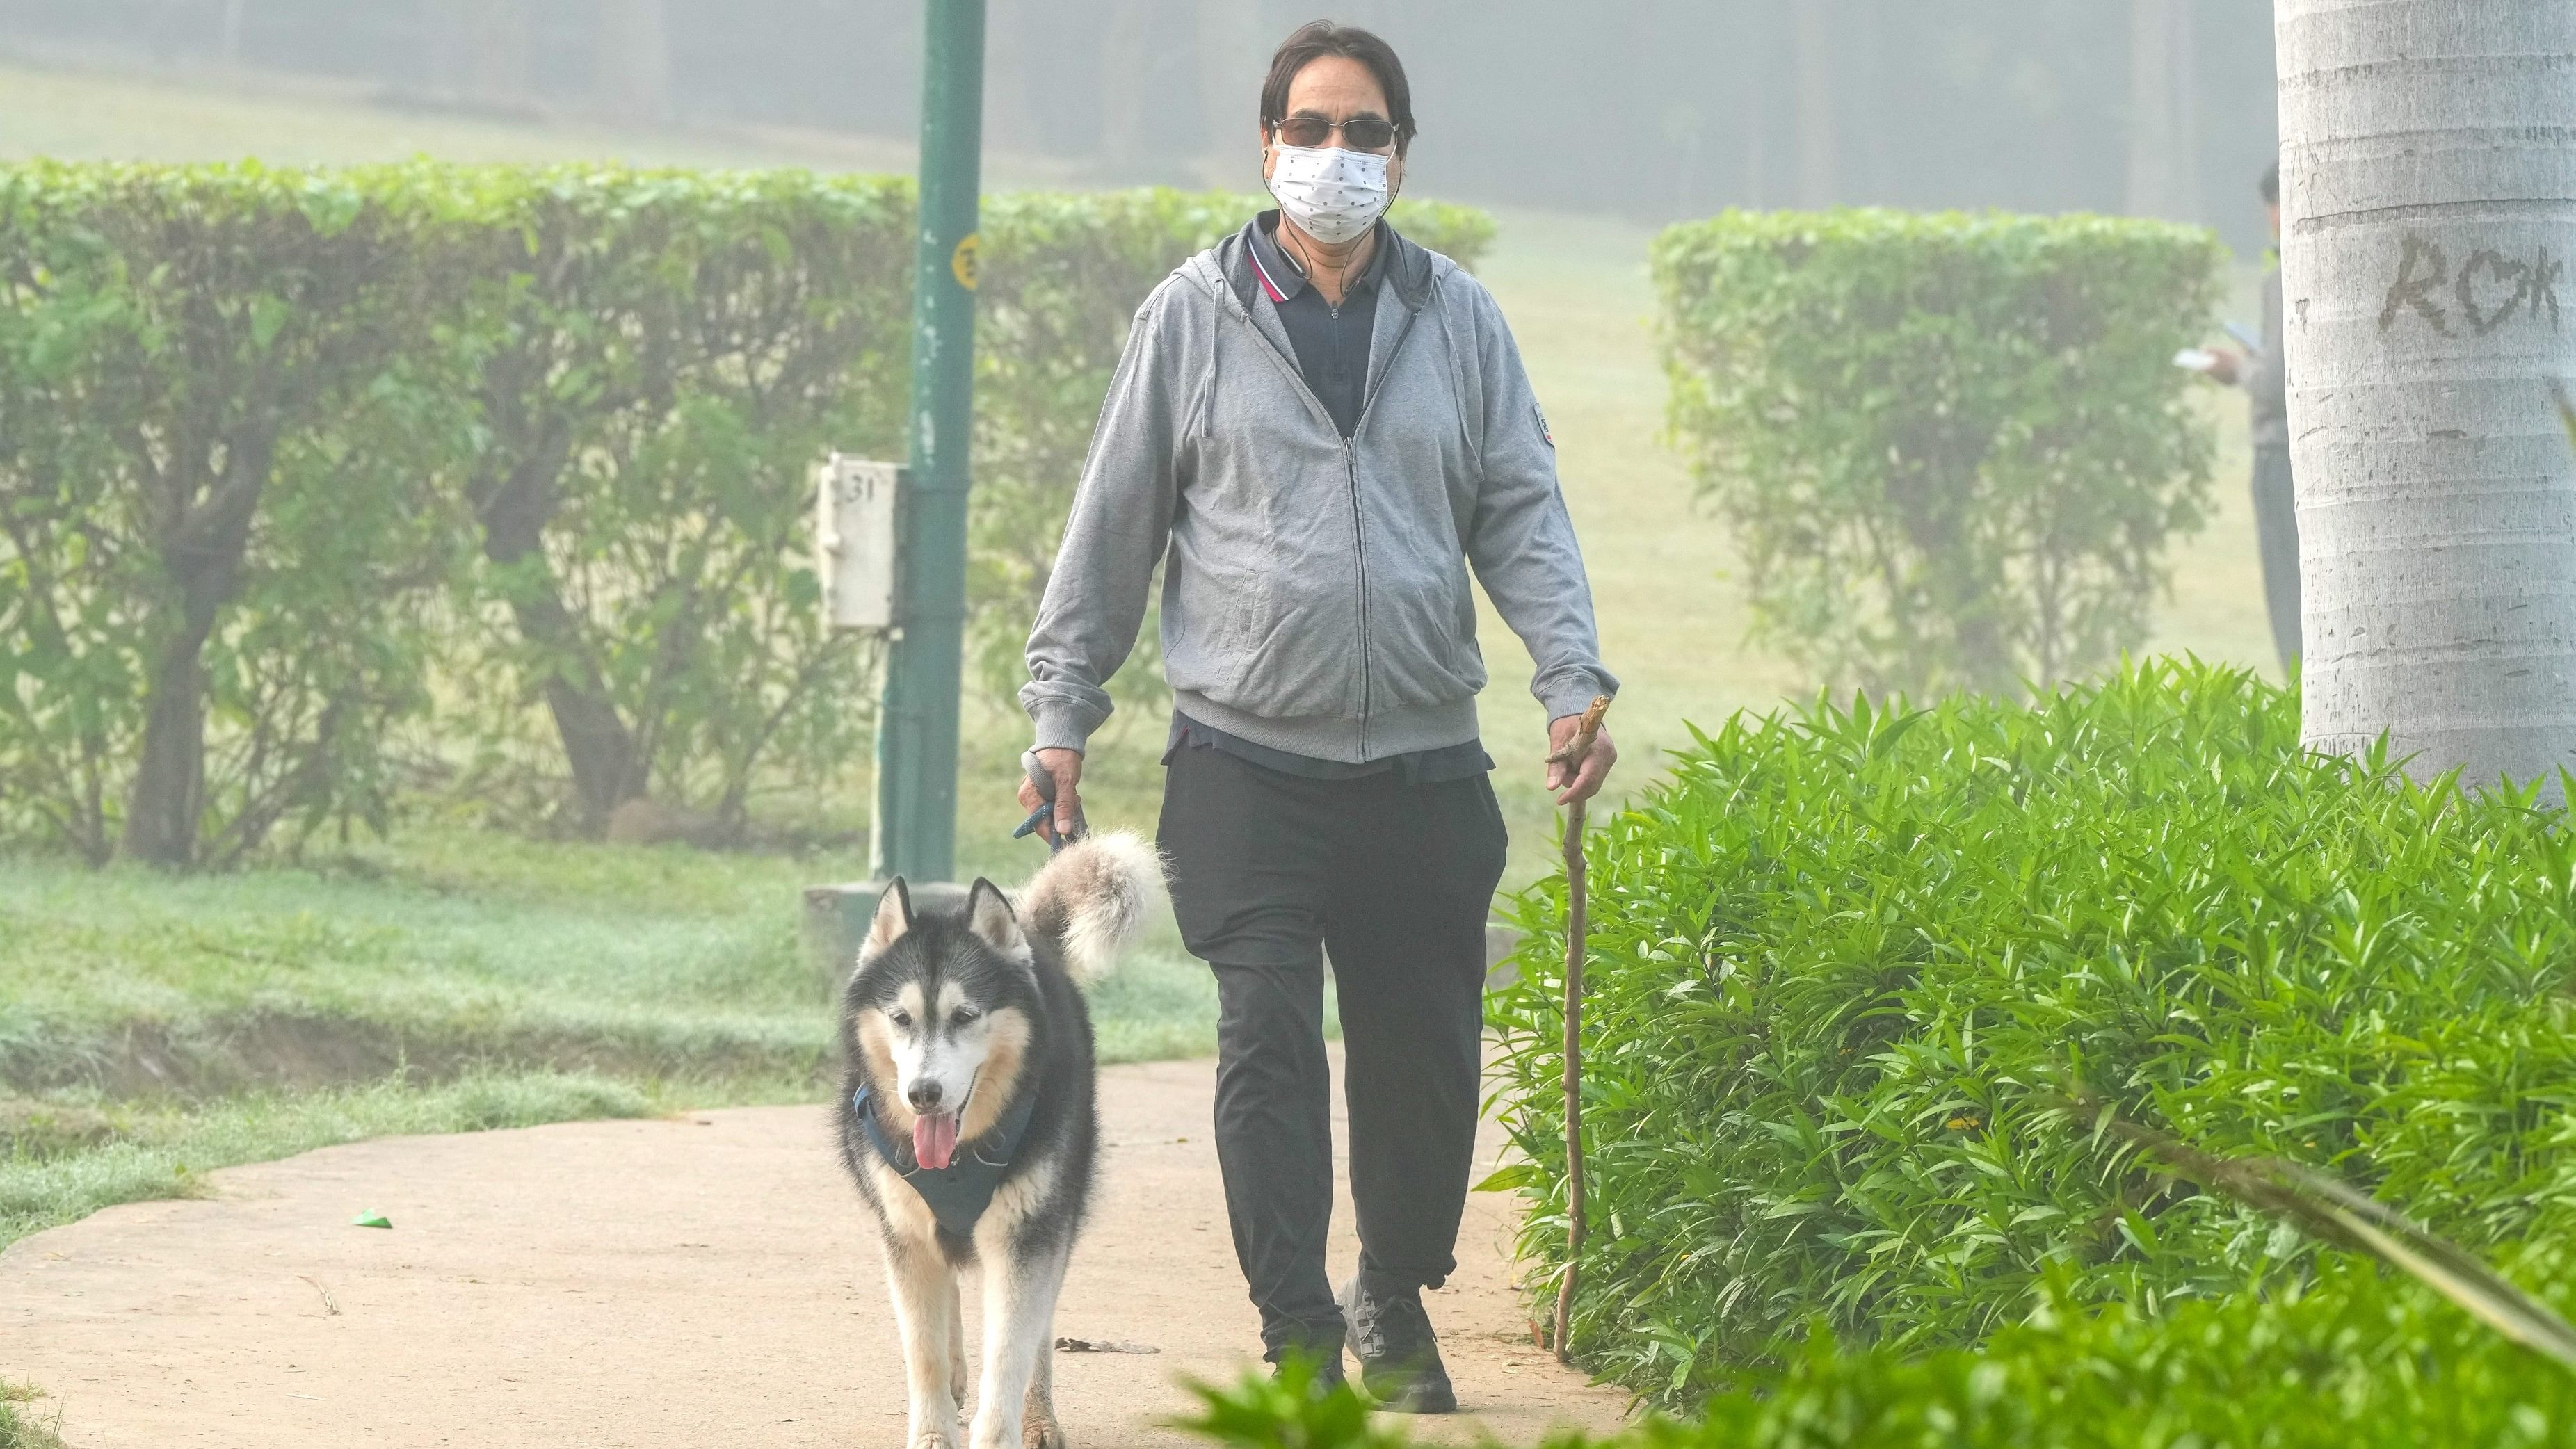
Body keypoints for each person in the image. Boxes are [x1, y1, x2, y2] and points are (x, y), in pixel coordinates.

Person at [1016, 19, 1618, 1412]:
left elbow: (1519, 506)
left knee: (1419, 1057)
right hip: (1246, 763)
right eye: (1312, 129)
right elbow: (1114, 525)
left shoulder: (1457, 318)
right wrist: (1063, 710)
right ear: (1267, 144)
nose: (1335, 156)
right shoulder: (1192, 315)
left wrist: (1571, 675)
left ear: (1400, 159)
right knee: (1267, 1039)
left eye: (1364, 134)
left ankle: (1392, 1291)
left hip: (1419, 761)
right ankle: (1295, 1322)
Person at [2205, 160, 2299, 673]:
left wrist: (2237, 368)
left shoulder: (2285, 279)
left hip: (2279, 455)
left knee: (2290, 597)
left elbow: (2275, 383)